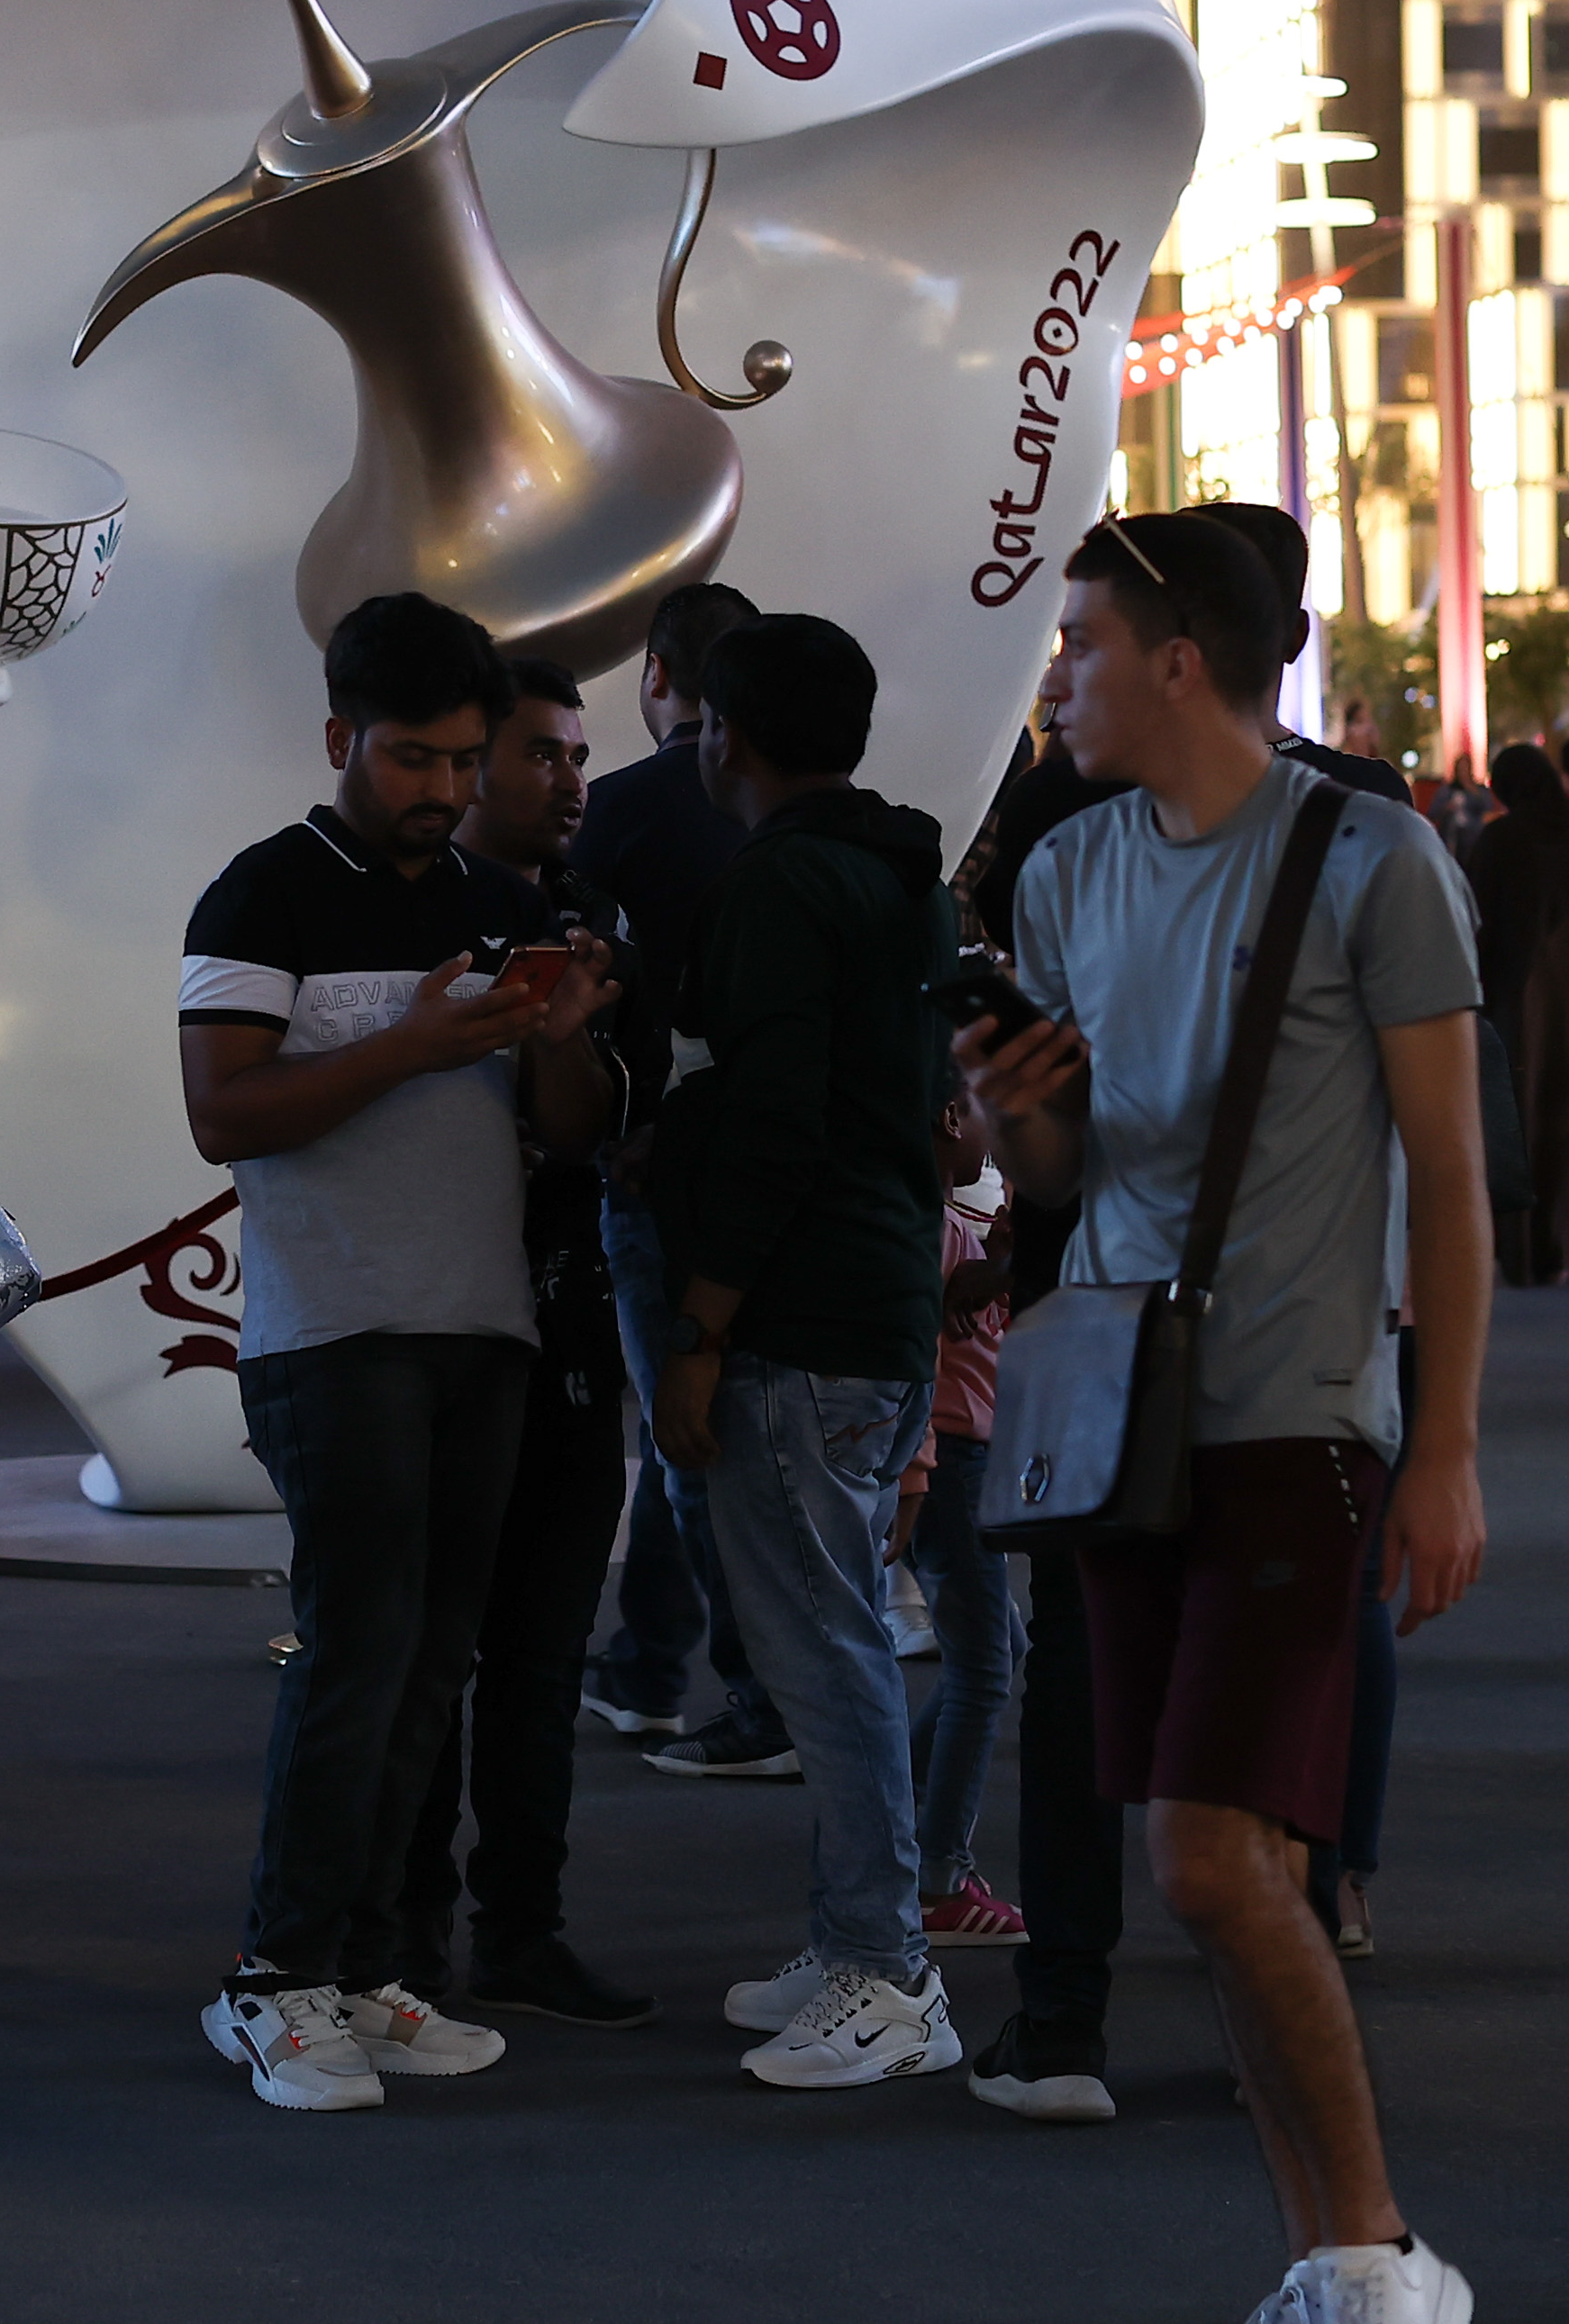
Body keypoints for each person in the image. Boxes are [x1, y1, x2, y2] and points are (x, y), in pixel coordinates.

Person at [960, 511, 1495, 2324]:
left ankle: (1378, 2252)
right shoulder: (1063, 871)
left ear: (1179, 661)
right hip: (1121, 1415)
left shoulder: (1372, 857)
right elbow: (1064, 1171)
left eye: (1083, 644)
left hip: (1300, 1417)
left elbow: (1451, 1179)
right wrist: (1005, 1112)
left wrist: (1442, 1447)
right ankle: (1330, 2261)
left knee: (1202, 1857)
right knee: (1231, 1868)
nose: (1058, 677)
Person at [175, 592, 616, 2112]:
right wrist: (416, 1043)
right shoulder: (263, 893)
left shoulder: (494, 900)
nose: (441, 785)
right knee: (359, 1654)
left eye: (461, 759)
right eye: (411, 757)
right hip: (331, 1327)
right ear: (339, 739)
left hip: (482, 1325)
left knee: (431, 1665)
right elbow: (223, 1116)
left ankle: (362, 1969)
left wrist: (558, 1034)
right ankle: (273, 1980)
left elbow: (569, 1131)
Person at [650, 610, 966, 2093]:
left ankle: (886, 1973)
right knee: (839, 1632)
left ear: (727, 733)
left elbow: (772, 1120)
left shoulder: (779, 883)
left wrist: (700, 1325)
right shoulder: (908, 872)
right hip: (884, 1288)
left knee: (825, 1649)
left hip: (799, 1308)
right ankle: (855, 1937)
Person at [386, 656, 654, 2030]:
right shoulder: (399, 917)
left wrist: (564, 1040)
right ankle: (402, 1930)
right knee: (424, 1651)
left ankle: (521, 1929)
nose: (569, 780)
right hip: (419, 1325)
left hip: (565, 1324)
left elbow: (595, 1128)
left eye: (578, 754)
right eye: (539, 753)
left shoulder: (591, 919)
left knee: (543, 1652)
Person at [568, 577, 770, 1770]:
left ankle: (762, 1696)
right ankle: (646, 1661)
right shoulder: (790, 818)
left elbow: (576, 977)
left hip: (653, 1161)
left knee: (688, 1427)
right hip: (777, 1161)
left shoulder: (619, 811)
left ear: (654, 675)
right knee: (689, 1412)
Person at [894, 1080, 1023, 1954]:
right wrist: (917, 1470)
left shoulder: (948, 1222)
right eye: (982, 1105)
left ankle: (899, 1821)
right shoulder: (927, 1229)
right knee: (983, 1667)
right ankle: (937, 1876)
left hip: (956, 1462)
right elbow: (923, 1357)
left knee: (997, 1648)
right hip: (946, 1467)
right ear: (947, 1116)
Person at [1464, 743, 1569, 1287]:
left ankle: (1528, 1245)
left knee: (1527, 1119)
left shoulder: (1502, 841)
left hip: (1523, 1005)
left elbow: (1477, 924)